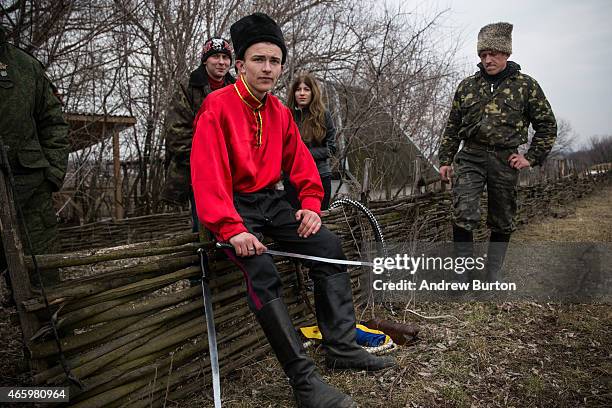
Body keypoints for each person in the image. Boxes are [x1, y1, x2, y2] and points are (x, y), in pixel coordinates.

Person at [190, 12, 394, 408]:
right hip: (232, 206)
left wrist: (312, 207)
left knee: (329, 246)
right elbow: (206, 175)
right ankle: (304, 383)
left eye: (275, 61)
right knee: (262, 272)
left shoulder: (280, 113)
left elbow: (302, 167)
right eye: (258, 60)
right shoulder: (216, 107)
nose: (268, 68)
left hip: (270, 200)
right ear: (240, 64)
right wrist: (231, 228)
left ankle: (341, 346)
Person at [438, 22, 557, 283]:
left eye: (493, 53)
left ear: (506, 54)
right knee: (463, 212)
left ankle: (491, 275)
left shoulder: (526, 86)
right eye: (483, 55)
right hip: (471, 155)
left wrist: (531, 156)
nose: (487, 59)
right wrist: (445, 159)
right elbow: (452, 125)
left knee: (502, 217)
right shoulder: (467, 86)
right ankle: (462, 276)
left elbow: (547, 126)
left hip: (506, 159)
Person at [0, 25, 70, 286]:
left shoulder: (24, 67)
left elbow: (53, 122)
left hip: (29, 192)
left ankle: (48, 327)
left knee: (43, 279)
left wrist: (51, 174)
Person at [161, 37, 235, 231]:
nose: (221, 62)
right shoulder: (187, 87)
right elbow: (176, 134)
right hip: (198, 173)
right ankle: (204, 260)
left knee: (234, 224)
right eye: (215, 57)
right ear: (205, 60)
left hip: (233, 173)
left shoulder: (237, 89)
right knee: (205, 225)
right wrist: (205, 163)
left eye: (225, 58)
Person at [284, 73, 336, 210]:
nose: (302, 93)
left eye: (306, 89)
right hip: (292, 180)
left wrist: (303, 153)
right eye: (298, 89)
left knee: (318, 222)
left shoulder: (323, 115)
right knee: (294, 223)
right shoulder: (285, 115)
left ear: (313, 92)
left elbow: (331, 148)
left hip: (320, 176)